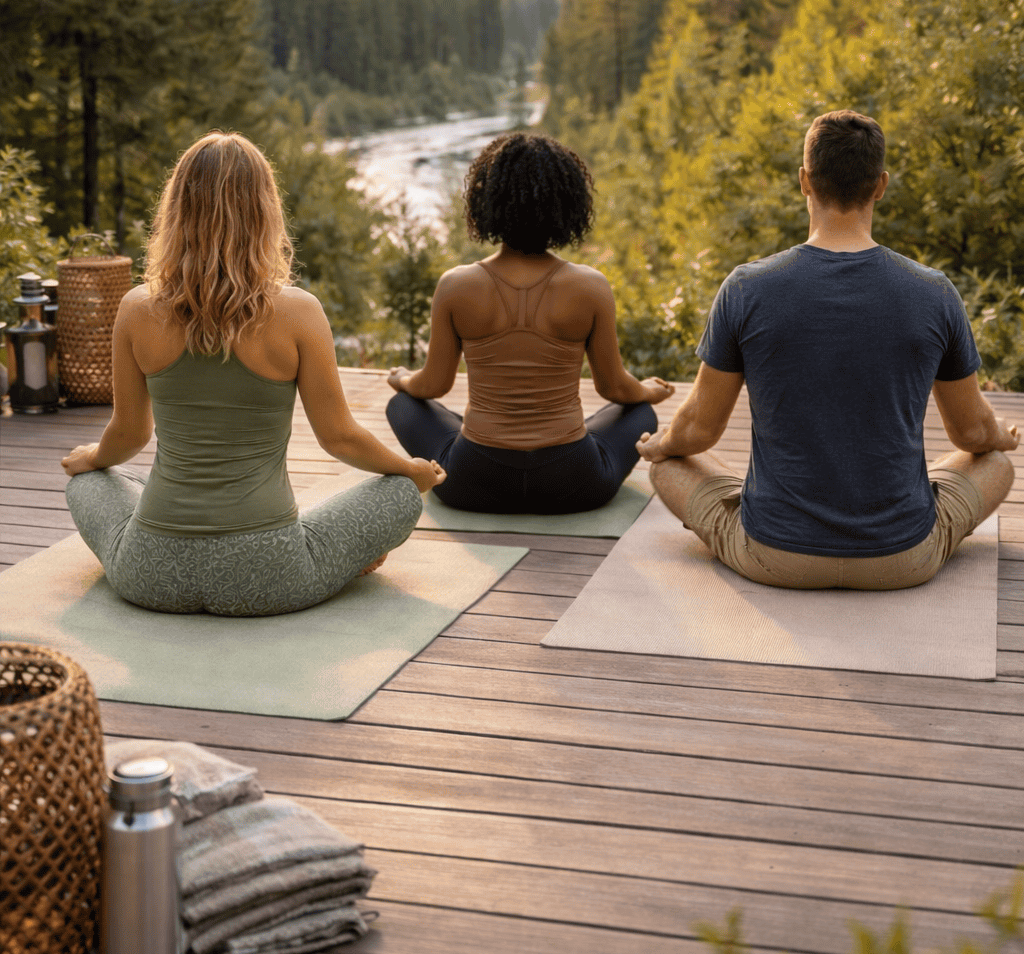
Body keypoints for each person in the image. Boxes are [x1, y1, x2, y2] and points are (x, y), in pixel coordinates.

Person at [62, 133, 446, 617]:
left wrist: (92, 458)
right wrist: (410, 471)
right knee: (399, 493)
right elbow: (339, 437)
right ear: (265, 211)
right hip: (269, 575)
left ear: (176, 211)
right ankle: (346, 558)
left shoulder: (136, 309)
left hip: (150, 573)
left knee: (91, 480)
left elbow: (129, 435)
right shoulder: (299, 312)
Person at [638, 110, 1017, 589]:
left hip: (774, 556)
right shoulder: (934, 292)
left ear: (804, 181)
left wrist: (660, 446)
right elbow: (972, 433)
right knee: (996, 465)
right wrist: (1001, 436)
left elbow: (697, 430)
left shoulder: (746, 288)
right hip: (902, 559)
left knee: (670, 467)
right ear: (880, 186)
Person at [385, 132, 674, 515]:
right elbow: (615, 388)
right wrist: (649, 392)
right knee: (640, 412)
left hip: (472, 483)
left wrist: (403, 380)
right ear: (567, 203)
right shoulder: (590, 286)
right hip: (575, 483)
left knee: (402, 405)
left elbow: (433, 385)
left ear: (486, 201)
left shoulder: (455, 285)